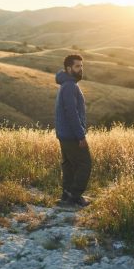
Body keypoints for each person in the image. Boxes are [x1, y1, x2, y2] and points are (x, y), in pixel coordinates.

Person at [55, 54, 92, 207]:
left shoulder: (66, 84)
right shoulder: (70, 86)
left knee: (69, 166)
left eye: (81, 66)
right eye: (77, 66)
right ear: (69, 69)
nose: (80, 69)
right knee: (85, 163)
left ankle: (66, 195)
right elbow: (72, 113)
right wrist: (81, 135)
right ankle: (75, 196)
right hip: (71, 135)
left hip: (64, 134)